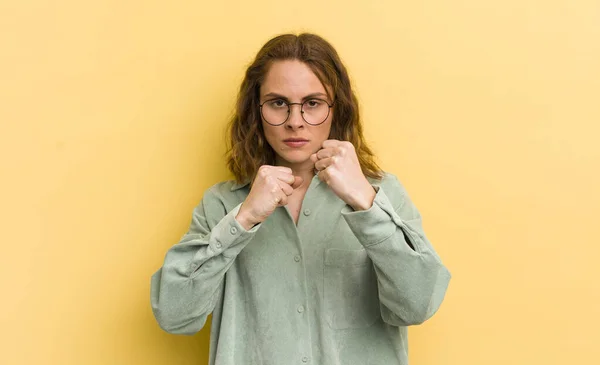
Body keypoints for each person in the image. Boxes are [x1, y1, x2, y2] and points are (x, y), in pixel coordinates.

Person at [150, 33, 451, 365]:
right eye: (278, 103)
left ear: (337, 109)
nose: (295, 122)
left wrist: (365, 203)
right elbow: (174, 315)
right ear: (257, 110)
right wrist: (244, 218)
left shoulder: (382, 193)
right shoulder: (222, 204)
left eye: (312, 103)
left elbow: (419, 304)